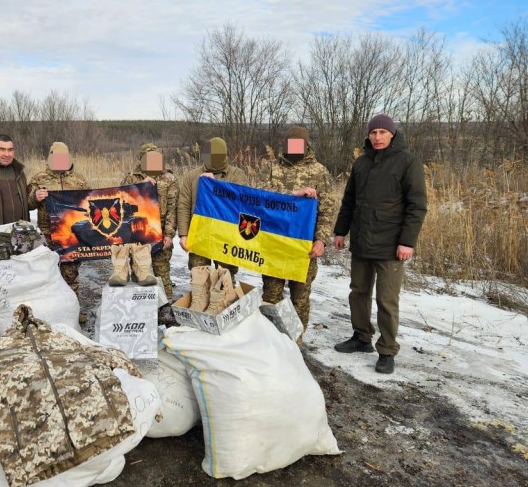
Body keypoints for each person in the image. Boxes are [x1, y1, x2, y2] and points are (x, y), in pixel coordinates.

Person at [333, 114, 428, 374]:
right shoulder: (361, 163)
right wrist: (340, 231)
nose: (377, 137)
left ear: (392, 134)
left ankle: (386, 350)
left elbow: (417, 206)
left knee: (386, 300)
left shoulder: (408, 162)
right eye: (373, 133)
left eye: (382, 133)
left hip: (391, 245)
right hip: (362, 241)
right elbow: (349, 201)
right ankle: (361, 337)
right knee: (358, 293)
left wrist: (407, 242)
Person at [257, 125, 337, 345]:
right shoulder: (271, 168)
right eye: (290, 142)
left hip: (303, 248)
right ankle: (272, 341)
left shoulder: (319, 172)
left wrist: (321, 240)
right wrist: (294, 195)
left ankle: (294, 343)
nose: (294, 147)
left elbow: (327, 211)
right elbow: (260, 199)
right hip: (274, 244)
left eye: (298, 143)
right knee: (271, 296)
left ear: (306, 144)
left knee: (299, 298)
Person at [27, 142, 90, 324]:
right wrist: (35, 197)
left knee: (70, 275)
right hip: (48, 235)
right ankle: (52, 314)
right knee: (49, 274)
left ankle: (74, 312)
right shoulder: (39, 179)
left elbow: (88, 203)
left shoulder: (79, 180)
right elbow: (28, 203)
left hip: (72, 234)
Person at [177, 137, 248, 276]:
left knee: (224, 282)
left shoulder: (237, 175)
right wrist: (183, 234)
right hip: (199, 235)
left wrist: (215, 185)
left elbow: (241, 202)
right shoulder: (192, 176)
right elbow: (183, 205)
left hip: (226, 237)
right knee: (199, 278)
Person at [121, 143, 178, 298]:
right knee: (139, 273)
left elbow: (173, 210)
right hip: (138, 234)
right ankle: (141, 309)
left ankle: (166, 309)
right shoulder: (131, 178)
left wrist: (169, 235)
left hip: (160, 234)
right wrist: (141, 186)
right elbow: (122, 201)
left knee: (162, 273)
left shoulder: (169, 179)